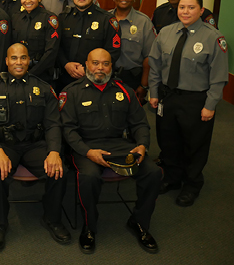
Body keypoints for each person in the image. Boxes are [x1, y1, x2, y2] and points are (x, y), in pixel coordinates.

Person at [60, 48, 162, 254]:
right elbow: (67, 130)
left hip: (119, 144)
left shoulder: (124, 90)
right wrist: (88, 152)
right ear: (87, 65)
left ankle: (139, 222)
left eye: (105, 64)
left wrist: (142, 144)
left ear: (111, 66)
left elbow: (140, 124)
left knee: (153, 172)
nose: (100, 68)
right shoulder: (71, 92)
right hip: (86, 146)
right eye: (95, 63)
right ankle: (90, 227)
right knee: (89, 177)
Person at [0, 43, 70, 251]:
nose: (18, 62)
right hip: (5, 145)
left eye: (23, 58)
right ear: (6, 61)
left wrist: (54, 151)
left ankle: (52, 218)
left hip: (34, 144)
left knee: (58, 171)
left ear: (29, 61)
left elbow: (53, 123)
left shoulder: (44, 88)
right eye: (14, 58)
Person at [149, 0, 228, 207]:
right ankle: (173, 178)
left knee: (195, 144)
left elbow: (219, 76)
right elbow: (155, 66)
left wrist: (210, 105)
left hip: (196, 100)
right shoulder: (166, 33)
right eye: (182, 7)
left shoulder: (213, 37)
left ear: (201, 11)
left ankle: (192, 183)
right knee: (168, 139)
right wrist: (154, 92)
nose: (185, 11)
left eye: (191, 7)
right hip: (168, 96)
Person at [57, 0, 121, 92]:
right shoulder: (63, 18)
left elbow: (113, 51)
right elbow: (57, 47)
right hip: (65, 79)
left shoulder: (107, 20)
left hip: (95, 81)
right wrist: (66, 64)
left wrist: (89, 69)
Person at [109, 0, 156, 104]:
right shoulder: (105, 18)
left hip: (132, 80)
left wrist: (144, 86)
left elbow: (149, 57)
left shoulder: (143, 22)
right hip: (106, 78)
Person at [12, 0, 60, 84]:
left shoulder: (49, 19)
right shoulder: (16, 18)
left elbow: (51, 51)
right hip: (18, 71)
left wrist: (31, 73)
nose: (28, 1)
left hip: (42, 74)